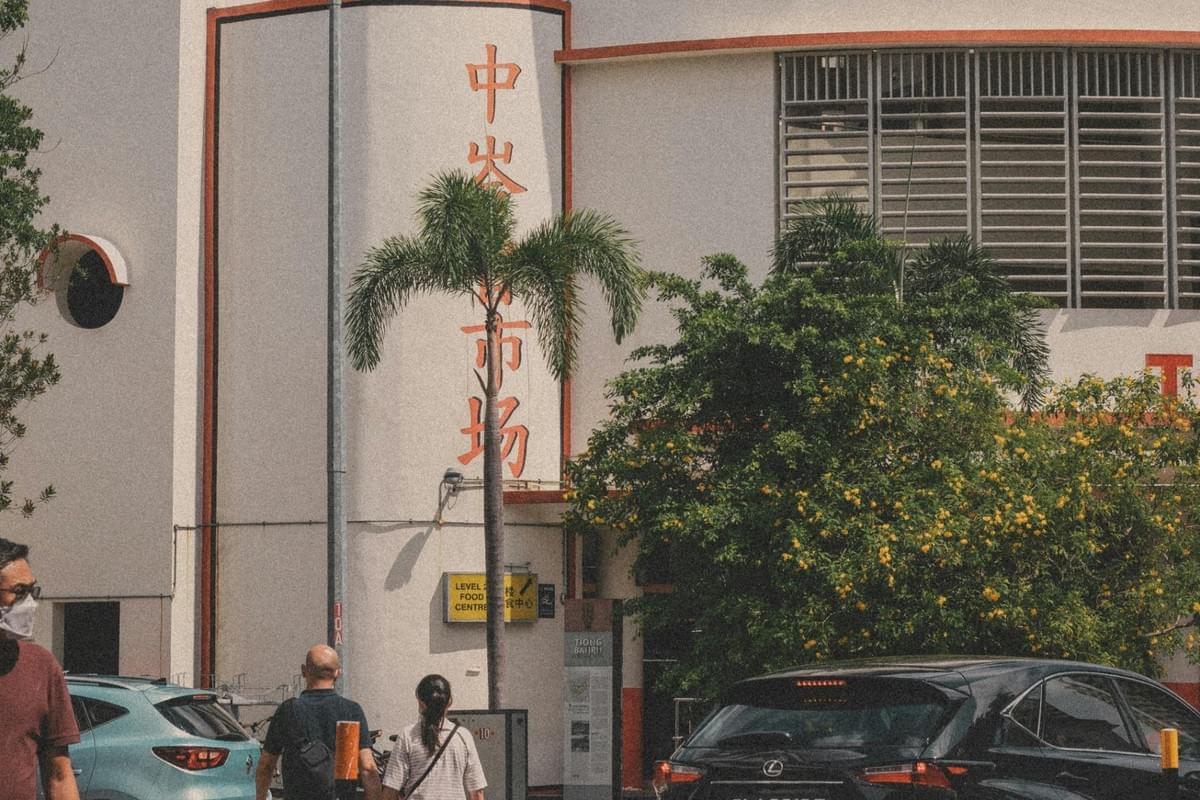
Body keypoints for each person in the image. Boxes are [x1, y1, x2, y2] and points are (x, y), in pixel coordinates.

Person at [0, 537, 81, 800]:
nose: (30, 603)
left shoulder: (41, 667)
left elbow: (59, 773)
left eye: (32, 591)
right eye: (19, 591)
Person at [256, 644, 383, 800]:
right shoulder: (351, 710)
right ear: (338, 673)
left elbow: (266, 765)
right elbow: (367, 768)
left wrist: (260, 796)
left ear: (304, 671)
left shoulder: (288, 711)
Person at [382, 674, 486, 800]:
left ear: (420, 702)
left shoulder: (408, 735)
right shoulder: (463, 737)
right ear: (449, 702)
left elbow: (391, 789)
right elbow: (477, 792)